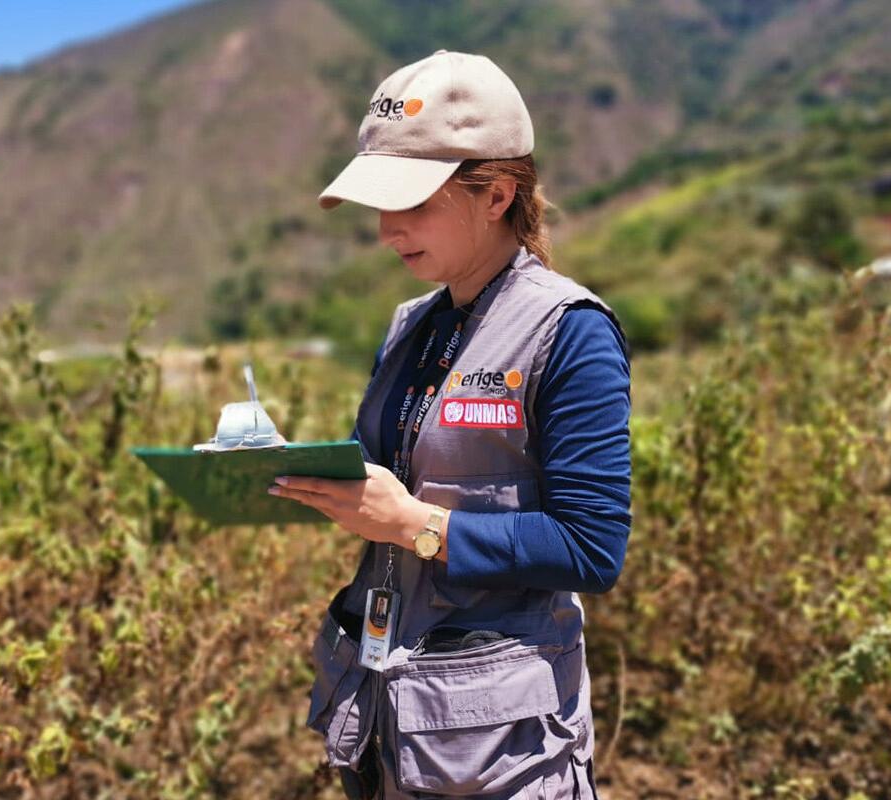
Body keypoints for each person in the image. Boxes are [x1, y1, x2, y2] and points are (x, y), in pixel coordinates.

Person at [268, 49, 631, 799]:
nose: (387, 231)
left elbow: (592, 548)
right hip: (383, 714)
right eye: (379, 207)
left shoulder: (571, 330)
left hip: (498, 750)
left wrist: (416, 526)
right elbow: (387, 488)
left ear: (496, 193)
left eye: (414, 204)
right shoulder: (410, 325)